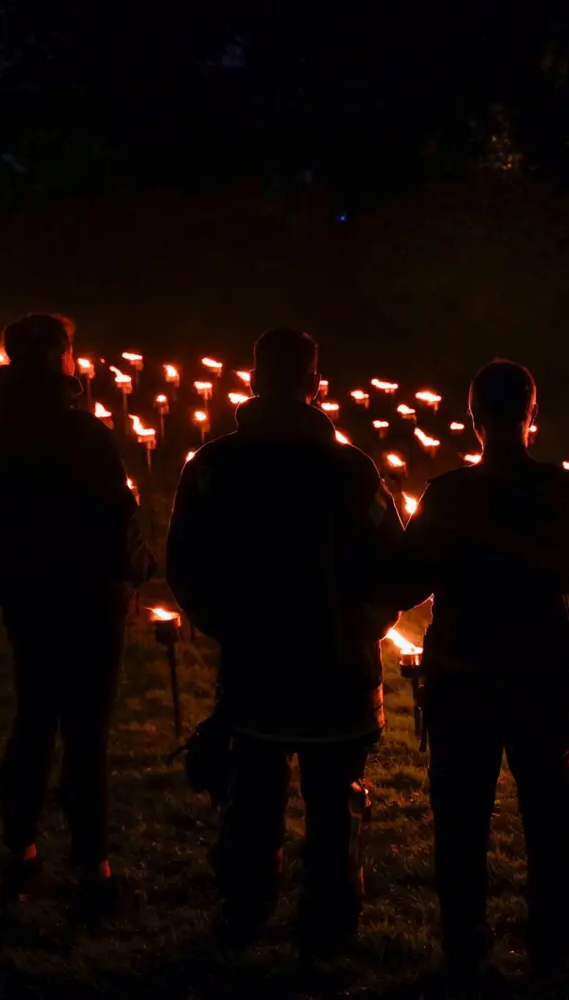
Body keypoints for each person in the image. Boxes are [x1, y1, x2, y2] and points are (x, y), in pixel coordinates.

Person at [166, 328, 404, 957]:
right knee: (334, 803)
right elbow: (396, 561)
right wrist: (368, 623)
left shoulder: (213, 467)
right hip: (340, 676)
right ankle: (327, 924)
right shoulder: (350, 470)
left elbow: (184, 566)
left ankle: (244, 913)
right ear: (314, 385)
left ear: (253, 382)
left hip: (255, 674)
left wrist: (231, 625)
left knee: (252, 800)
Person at [396, 359, 569, 981]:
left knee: (460, 817)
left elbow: (405, 586)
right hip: (541, 675)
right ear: (532, 415)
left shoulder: (448, 494)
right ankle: (554, 943)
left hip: (461, 677)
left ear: (473, 420)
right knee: (550, 817)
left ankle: (464, 941)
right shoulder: (566, 491)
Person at [0, 314, 155, 919]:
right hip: (89, 595)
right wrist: (138, 566)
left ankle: (21, 853)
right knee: (86, 729)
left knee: (34, 714)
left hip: (27, 594)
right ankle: (93, 869)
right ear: (55, 357)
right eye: (70, 348)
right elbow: (118, 509)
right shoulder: (80, 431)